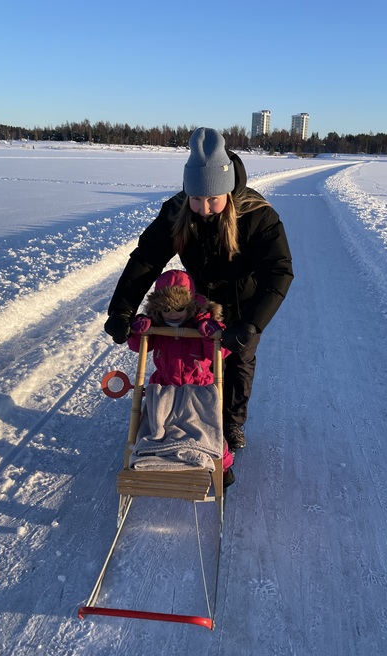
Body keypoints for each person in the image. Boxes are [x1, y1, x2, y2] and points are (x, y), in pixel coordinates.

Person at [105, 126, 293, 453]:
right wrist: (121, 309)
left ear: (229, 193)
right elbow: (146, 260)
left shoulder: (256, 215)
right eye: (196, 199)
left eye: (213, 200)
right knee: (197, 364)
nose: (204, 208)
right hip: (202, 304)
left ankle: (231, 422)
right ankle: (193, 421)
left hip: (245, 304)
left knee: (238, 362)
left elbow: (279, 271)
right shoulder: (177, 211)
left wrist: (251, 323)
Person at [127, 269, 235, 488]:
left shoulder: (201, 325)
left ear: (191, 306)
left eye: (179, 308)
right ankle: (158, 455)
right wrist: (138, 330)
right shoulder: (157, 326)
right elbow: (136, 347)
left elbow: (222, 352)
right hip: (165, 385)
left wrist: (210, 331)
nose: (173, 314)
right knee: (158, 423)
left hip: (197, 387)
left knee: (206, 426)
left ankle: (223, 465)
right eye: (166, 309)